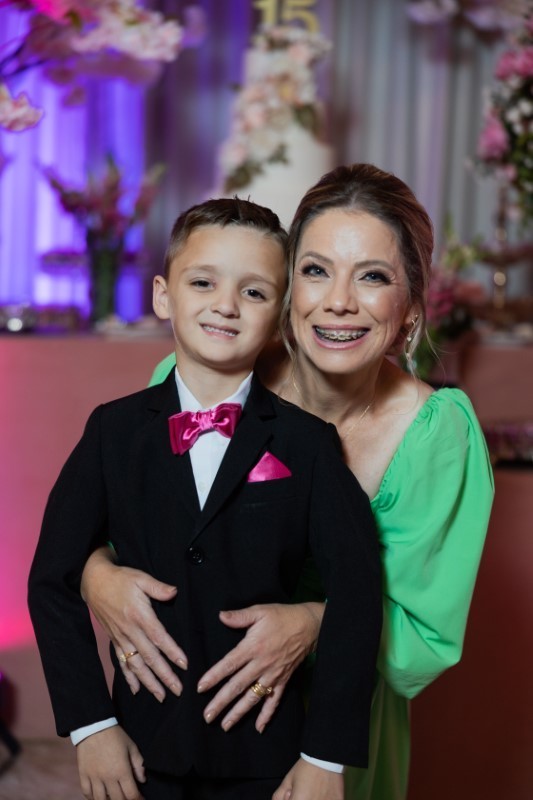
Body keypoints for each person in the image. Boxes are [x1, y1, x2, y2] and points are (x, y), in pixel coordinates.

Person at [80, 164, 494, 800]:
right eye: (316, 270)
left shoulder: (437, 435)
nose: (339, 301)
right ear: (284, 286)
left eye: (373, 277)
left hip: (333, 732)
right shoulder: (200, 378)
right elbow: (124, 523)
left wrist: (314, 623)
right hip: (183, 717)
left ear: (411, 307)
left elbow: (424, 640)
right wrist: (95, 573)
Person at [28, 197, 382, 800]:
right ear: (163, 296)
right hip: (140, 750)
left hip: (266, 753)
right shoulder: (112, 432)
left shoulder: (310, 444)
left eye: (254, 291)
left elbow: (358, 590)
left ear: (280, 315)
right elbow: (51, 579)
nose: (226, 305)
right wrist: (92, 726)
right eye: (203, 282)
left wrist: (325, 756)